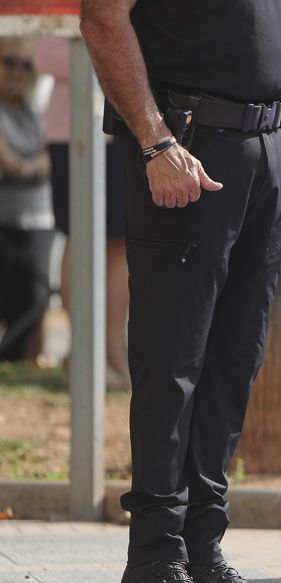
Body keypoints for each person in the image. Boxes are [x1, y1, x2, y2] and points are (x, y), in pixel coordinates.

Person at [80, 0, 281, 583]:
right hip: (186, 143)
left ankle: (202, 547)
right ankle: (153, 561)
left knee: (232, 362)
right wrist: (155, 141)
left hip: (269, 146)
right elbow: (103, 18)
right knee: (174, 361)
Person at [33, 37, 131, 389]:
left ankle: (113, 351)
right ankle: (82, 353)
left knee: (122, 240)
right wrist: (119, 46)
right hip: (74, 128)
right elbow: (46, 56)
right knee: (82, 234)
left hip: (129, 126)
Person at [0, 38, 55, 363]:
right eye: (9, 62)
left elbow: (37, 162)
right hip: (4, 220)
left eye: (26, 64)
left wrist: (27, 166)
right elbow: (11, 164)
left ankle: (21, 362)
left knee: (35, 299)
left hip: (36, 219)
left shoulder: (34, 110)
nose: (18, 71)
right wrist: (36, 164)